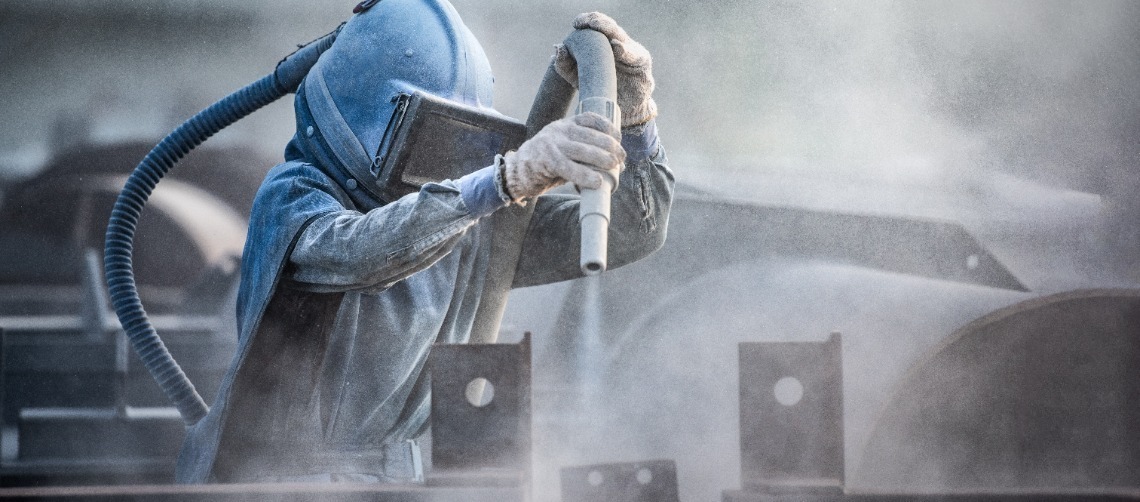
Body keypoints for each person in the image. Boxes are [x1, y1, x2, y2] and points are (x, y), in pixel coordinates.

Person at [176, 0, 673, 484]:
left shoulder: (468, 218)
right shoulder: (294, 196)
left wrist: (635, 118)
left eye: (461, 141)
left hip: (406, 488)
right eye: (426, 136)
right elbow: (362, 251)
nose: (441, 164)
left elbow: (633, 229)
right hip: (279, 489)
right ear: (364, 121)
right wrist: (504, 181)